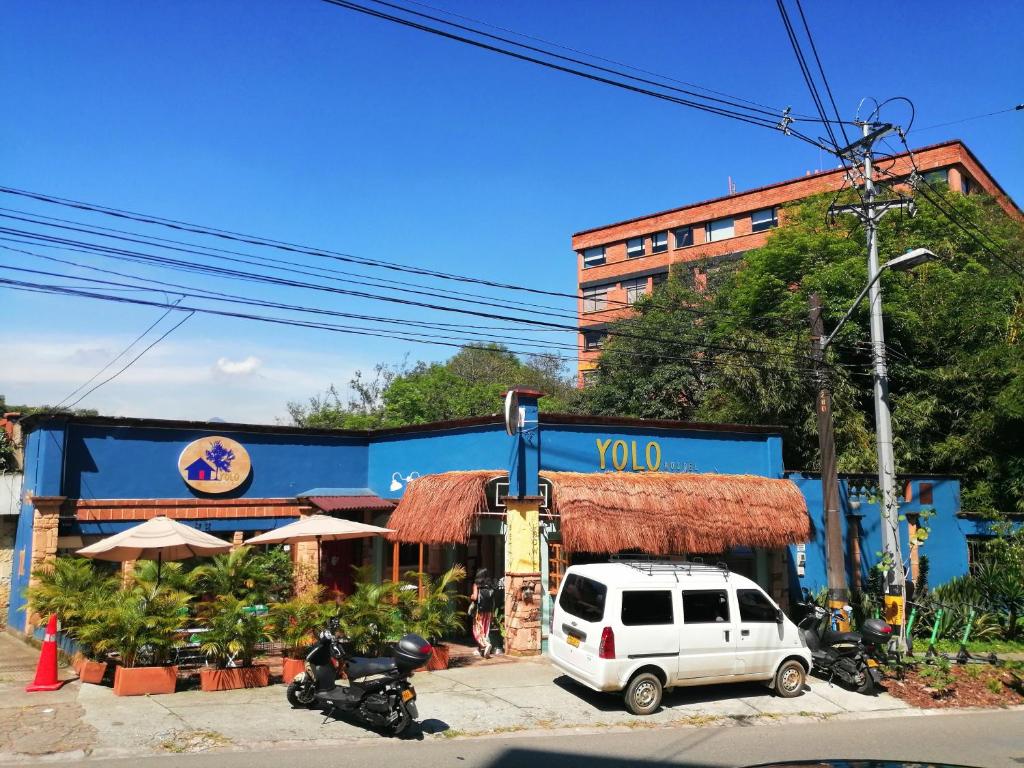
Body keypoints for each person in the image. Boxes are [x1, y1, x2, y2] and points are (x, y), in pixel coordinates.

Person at [470, 568, 496, 658]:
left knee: (477, 630)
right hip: (488, 611)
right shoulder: (490, 585)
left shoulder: (476, 585)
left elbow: (475, 597)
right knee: (485, 630)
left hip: (479, 611)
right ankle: (480, 649)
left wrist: (471, 596)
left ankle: (486, 644)